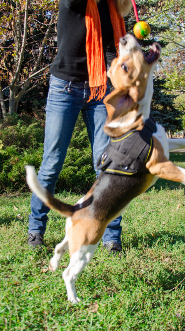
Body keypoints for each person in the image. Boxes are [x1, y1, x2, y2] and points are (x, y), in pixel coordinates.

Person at [27, 0, 131, 253]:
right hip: (65, 87)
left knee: (106, 165)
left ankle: (110, 235)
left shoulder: (110, 8)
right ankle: (36, 230)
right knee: (52, 162)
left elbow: (109, 49)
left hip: (101, 89)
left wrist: (119, 74)